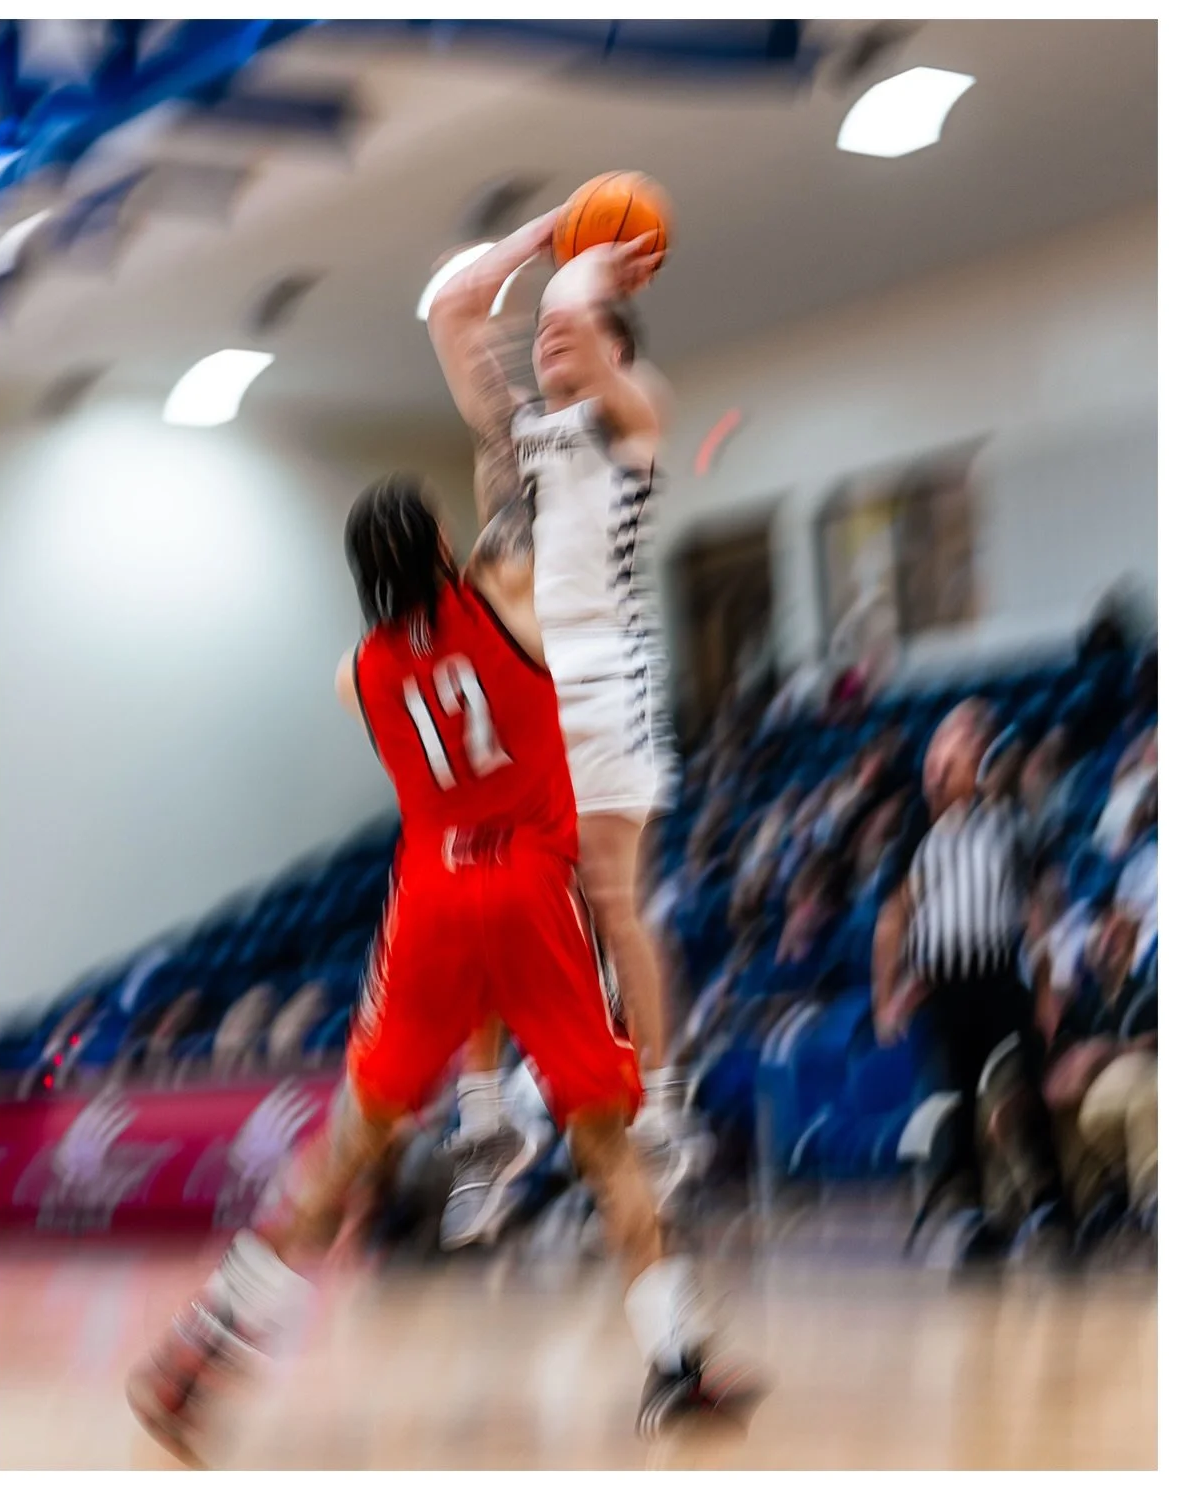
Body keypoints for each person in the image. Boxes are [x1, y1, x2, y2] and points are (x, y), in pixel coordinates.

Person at [125, 476, 763, 1465]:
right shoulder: (511, 603)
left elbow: (394, 655)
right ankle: (676, 1362)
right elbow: (572, 574)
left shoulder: (358, 673)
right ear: (435, 540)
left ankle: (199, 1352)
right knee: (606, 1144)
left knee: (347, 1149)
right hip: (529, 888)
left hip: (431, 898)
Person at [426, 209, 686, 1247]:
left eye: (568, 330)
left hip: (606, 677)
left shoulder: (635, 417)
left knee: (615, 907)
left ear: (614, 349)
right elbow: (452, 309)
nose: (547, 337)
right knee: (487, 903)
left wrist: (589, 262)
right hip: (523, 689)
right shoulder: (517, 434)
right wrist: (544, 236)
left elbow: (578, 318)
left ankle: (663, 1110)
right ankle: (487, 1120)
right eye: (540, 334)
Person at [873, 699, 1072, 1264]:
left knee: (1018, 1087)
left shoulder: (1008, 822)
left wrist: (1048, 987)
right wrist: (887, 994)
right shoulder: (919, 828)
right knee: (956, 1100)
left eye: (976, 742)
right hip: (944, 986)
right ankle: (972, 1217)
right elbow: (894, 918)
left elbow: (1034, 911)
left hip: (999, 977)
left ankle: (1049, 1205)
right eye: (961, 744)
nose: (972, 752)